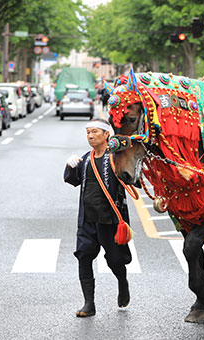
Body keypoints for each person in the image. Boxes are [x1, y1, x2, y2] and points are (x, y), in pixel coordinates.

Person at [64, 118, 134, 317]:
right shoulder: (85, 159)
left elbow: (132, 176)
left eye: (95, 132)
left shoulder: (116, 158)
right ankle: (89, 303)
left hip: (110, 220)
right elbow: (73, 180)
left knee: (115, 260)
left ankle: (122, 281)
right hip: (87, 219)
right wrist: (70, 166)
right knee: (83, 257)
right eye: (88, 132)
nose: (90, 135)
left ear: (106, 135)